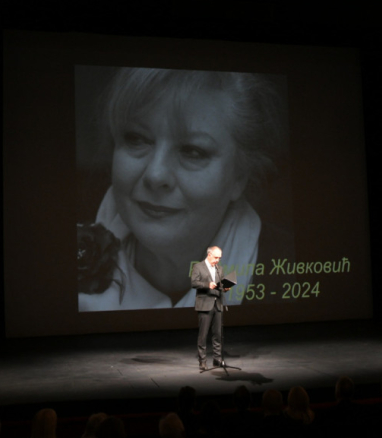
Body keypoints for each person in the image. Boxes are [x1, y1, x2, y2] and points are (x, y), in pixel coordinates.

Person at [77, 67, 289, 311]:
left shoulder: (289, 275)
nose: (156, 175)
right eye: (136, 138)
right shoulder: (60, 260)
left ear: (239, 176)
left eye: (193, 151)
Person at [192, 246, 228, 371]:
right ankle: (202, 361)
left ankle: (217, 359)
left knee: (218, 333)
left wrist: (225, 287)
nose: (218, 260)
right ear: (209, 255)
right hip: (204, 304)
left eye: (219, 258)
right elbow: (194, 283)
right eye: (216, 257)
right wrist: (208, 285)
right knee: (203, 335)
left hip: (217, 303)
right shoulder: (198, 267)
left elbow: (221, 285)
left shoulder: (219, 269)